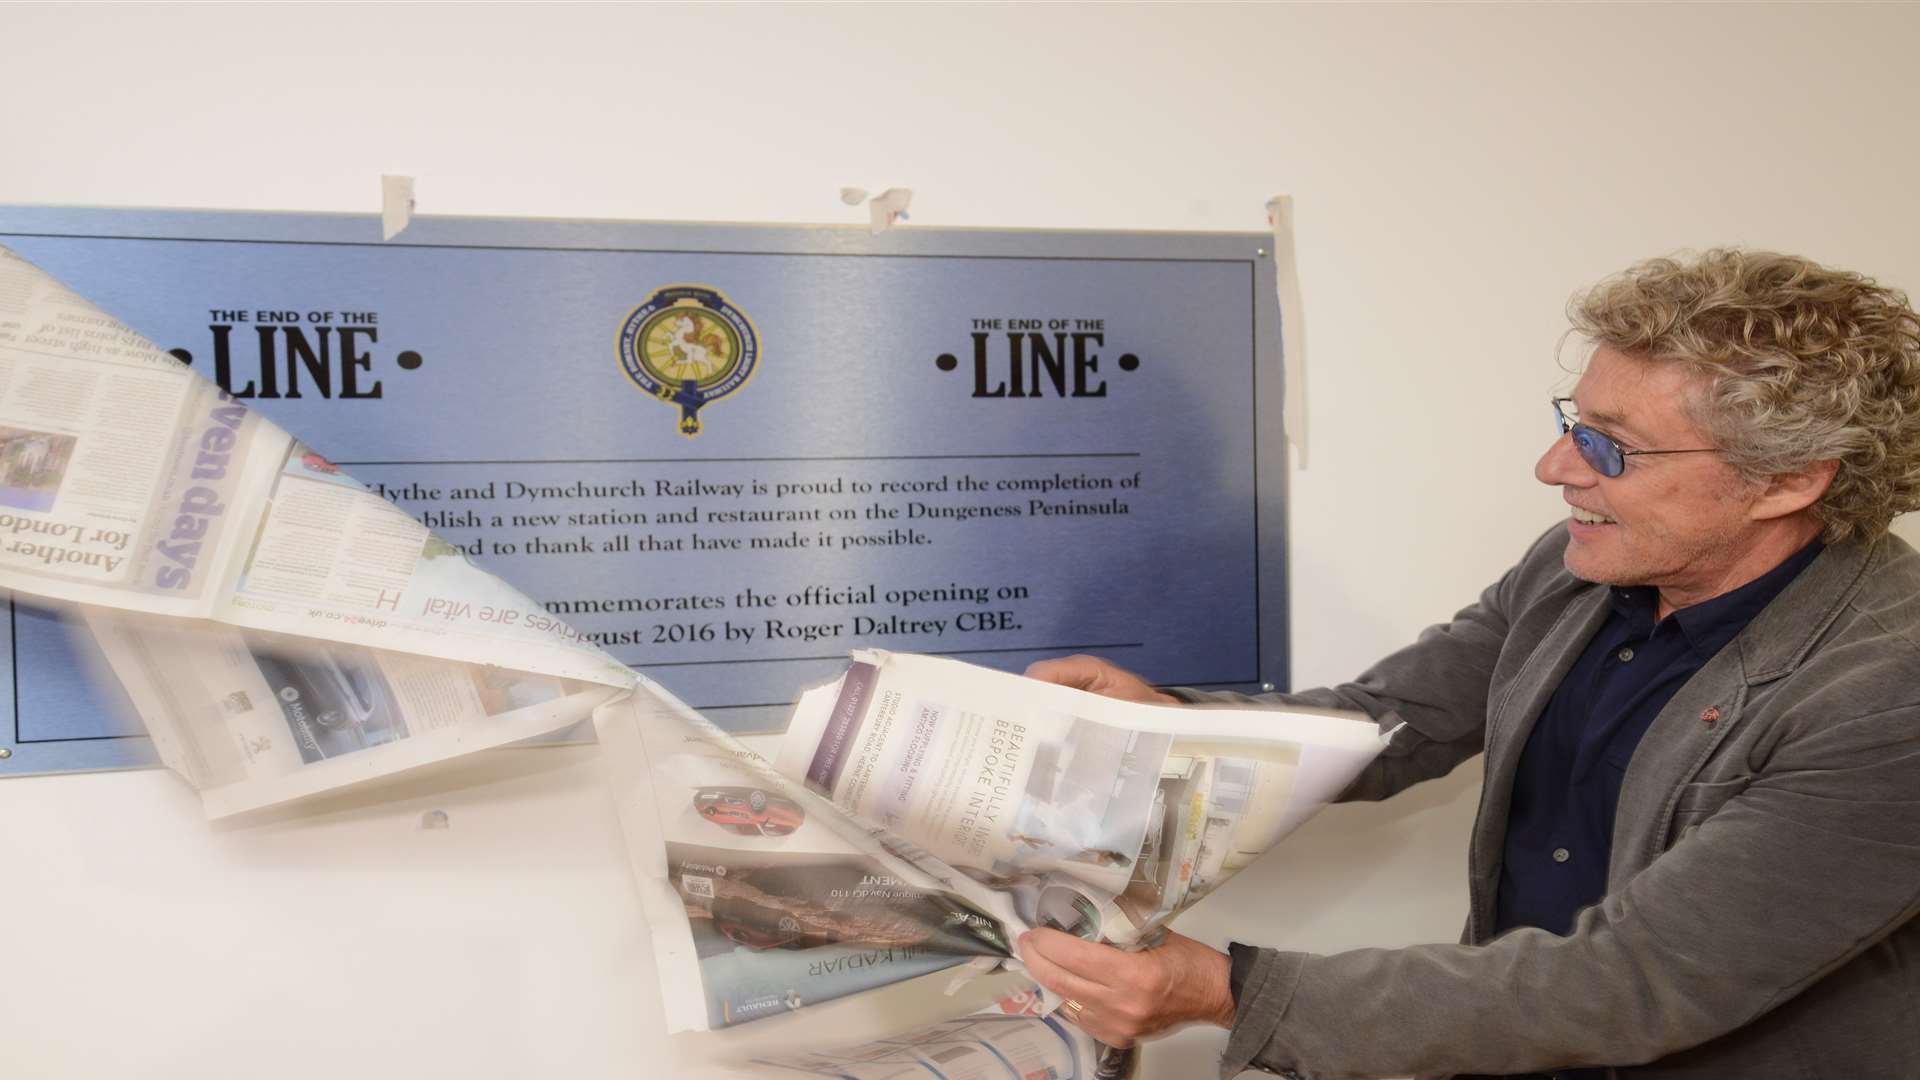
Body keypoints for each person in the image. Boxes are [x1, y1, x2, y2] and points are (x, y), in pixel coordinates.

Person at [1017, 249, 1920, 1078]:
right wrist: (1161, 720)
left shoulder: (1888, 692)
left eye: (1610, 445)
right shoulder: (1581, 564)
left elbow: (1639, 980)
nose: (1553, 466)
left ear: (1789, 481)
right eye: (1574, 421)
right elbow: (1391, 723)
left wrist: (1229, 992)